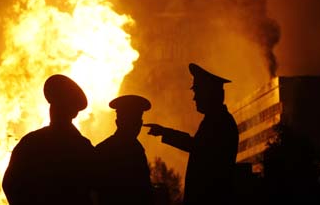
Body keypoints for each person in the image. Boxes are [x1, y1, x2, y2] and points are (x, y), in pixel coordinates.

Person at [144, 63, 239, 205]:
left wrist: (164, 132)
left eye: (197, 91)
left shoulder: (219, 122)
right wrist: (164, 132)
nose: (194, 98)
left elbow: (198, 147)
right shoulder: (216, 120)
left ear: (209, 93)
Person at [2, 74, 95, 205]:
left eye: (58, 107)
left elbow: (10, 184)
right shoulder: (83, 147)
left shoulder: (31, 142)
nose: (53, 111)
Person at [95, 95, 154, 205]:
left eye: (139, 120)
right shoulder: (105, 150)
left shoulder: (137, 150)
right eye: (133, 120)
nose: (138, 124)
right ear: (118, 122)